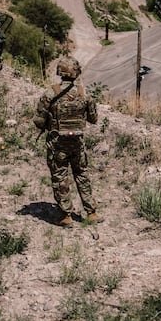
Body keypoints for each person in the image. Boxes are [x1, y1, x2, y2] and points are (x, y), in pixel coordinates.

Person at [33, 57, 99, 227]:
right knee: (82, 174)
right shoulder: (85, 94)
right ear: (76, 73)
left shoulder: (50, 93)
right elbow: (93, 119)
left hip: (58, 143)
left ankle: (66, 216)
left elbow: (38, 121)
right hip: (77, 143)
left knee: (60, 176)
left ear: (60, 72)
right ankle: (91, 213)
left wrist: (50, 121)